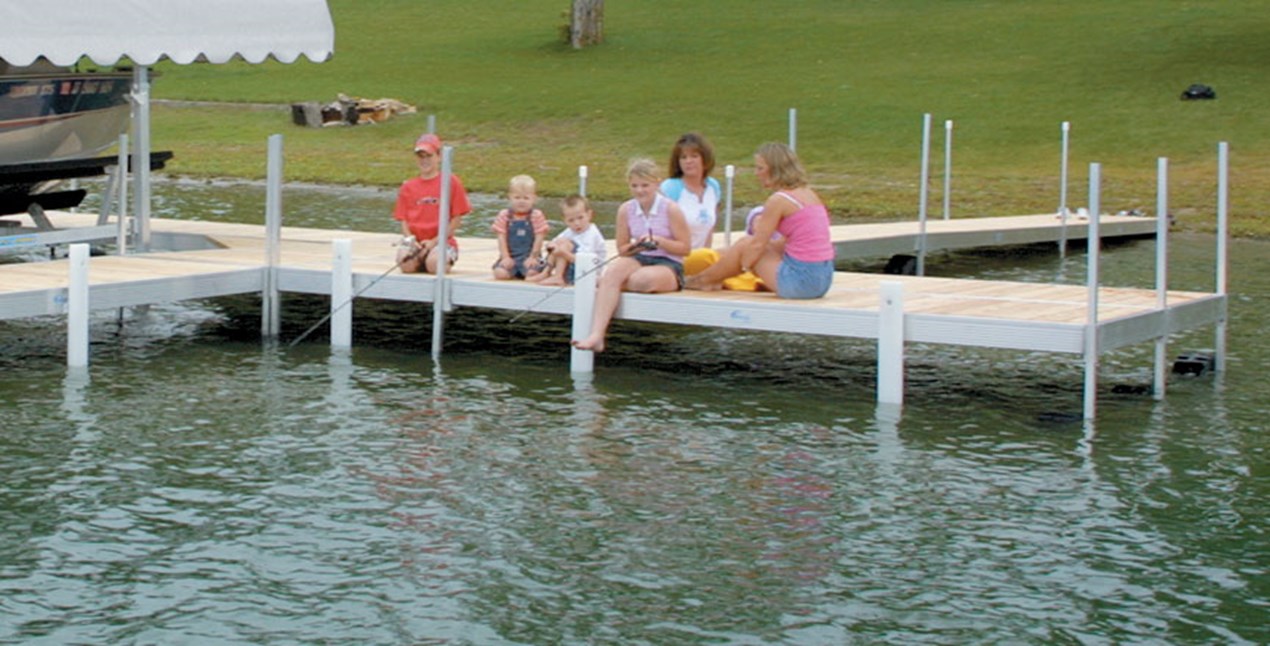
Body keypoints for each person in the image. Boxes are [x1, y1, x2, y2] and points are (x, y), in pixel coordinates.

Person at [685, 142, 834, 299]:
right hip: (823, 280)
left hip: (799, 284)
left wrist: (742, 266)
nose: (756, 173)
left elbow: (756, 246)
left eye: (760, 168)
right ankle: (709, 279)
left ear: (775, 170)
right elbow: (783, 245)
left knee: (746, 244)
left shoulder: (779, 200)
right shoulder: (809, 195)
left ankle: (703, 280)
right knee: (744, 246)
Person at [572, 159, 691, 352]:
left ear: (657, 183)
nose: (640, 190)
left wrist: (660, 241)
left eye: (645, 185)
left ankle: (609, 287)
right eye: (634, 186)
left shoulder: (670, 209)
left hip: (668, 262)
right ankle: (597, 335)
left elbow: (685, 248)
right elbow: (622, 249)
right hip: (639, 257)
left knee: (640, 280)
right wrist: (637, 246)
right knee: (613, 272)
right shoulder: (626, 210)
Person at [393, 133, 473, 274]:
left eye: (429, 156)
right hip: (416, 243)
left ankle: (435, 259)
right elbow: (403, 220)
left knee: (435, 264)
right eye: (421, 156)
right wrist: (411, 240)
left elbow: (456, 220)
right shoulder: (408, 186)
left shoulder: (451, 182)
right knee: (405, 263)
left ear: (439, 156)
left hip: (442, 241)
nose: (425, 160)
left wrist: (434, 242)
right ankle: (419, 261)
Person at [659, 132, 721, 276]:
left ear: (704, 159)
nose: (688, 161)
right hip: (674, 259)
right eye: (683, 157)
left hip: (700, 257)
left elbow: (710, 229)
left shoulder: (713, 187)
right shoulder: (670, 188)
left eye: (694, 156)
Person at [530, 194, 606, 286]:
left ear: (589, 215)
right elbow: (554, 242)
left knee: (564, 244)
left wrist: (563, 253)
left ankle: (558, 276)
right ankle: (546, 272)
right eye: (571, 220)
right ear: (565, 221)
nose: (577, 223)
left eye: (580, 218)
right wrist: (551, 246)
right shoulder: (570, 231)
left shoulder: (592, 234)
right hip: (572, 270)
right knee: (560, 242)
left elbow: (584, 261)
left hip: (586, 273)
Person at [491, 174, 550, 280]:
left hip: (529, 256)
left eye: (526, 198)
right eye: (517, 197)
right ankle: (512, 272)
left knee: (532, 272)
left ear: (534, 198)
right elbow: (501, 237)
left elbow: (539, 238)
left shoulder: (536, 215)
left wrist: (533, 257)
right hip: (511, 256)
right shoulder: (504, 215)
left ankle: (532, 272)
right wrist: (505, 257)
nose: (521, 201)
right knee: (499, 274)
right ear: (510, 197)